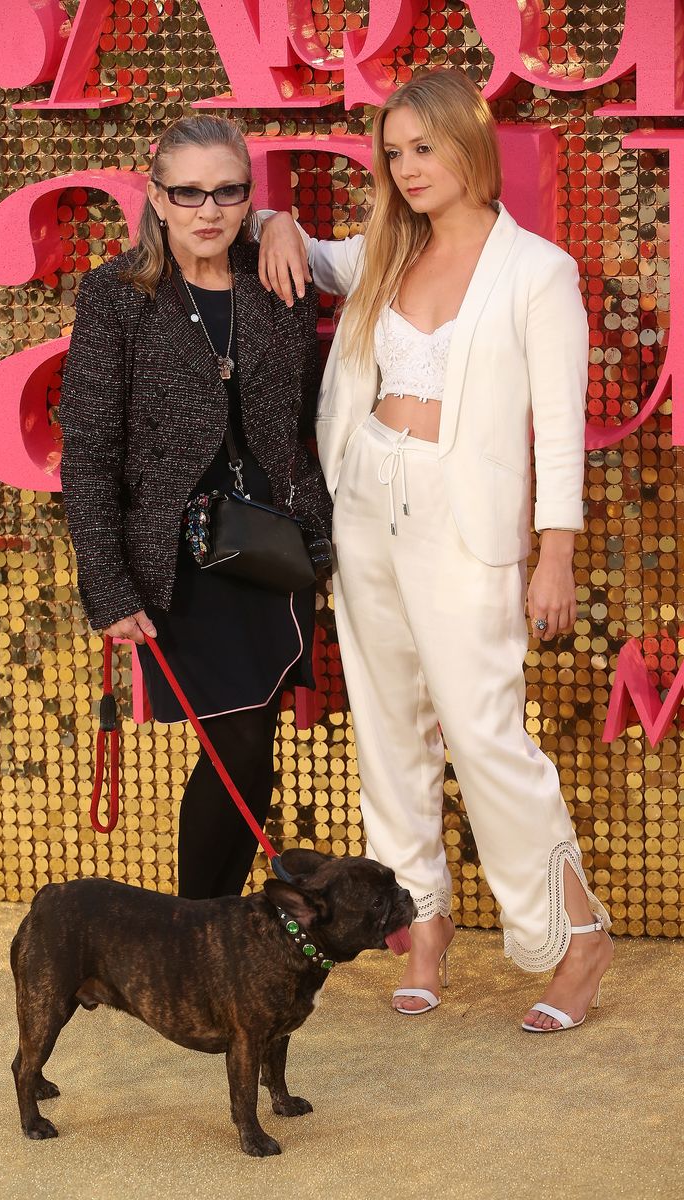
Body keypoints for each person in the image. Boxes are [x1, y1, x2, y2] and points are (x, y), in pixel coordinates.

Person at [258, 68, 613, 1031]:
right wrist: (277, 221)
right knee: (387, 731)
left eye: (426, 147)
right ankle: (421, 926)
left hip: (470, 525)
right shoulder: (383, 249)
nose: (408, 168)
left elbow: (559, 427)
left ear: (471, 145)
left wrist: (555, 552)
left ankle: (574, 938)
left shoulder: (537, 271)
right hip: (367, 503)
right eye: (395, 151)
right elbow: (302, 251)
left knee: (485, 734)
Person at [60, 115, 331, 901]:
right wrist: (107, 587)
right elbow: (90, 450)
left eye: (229, 192)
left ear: (249, 195)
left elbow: (304, 416)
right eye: (188, 193)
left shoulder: (276, 275)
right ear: (156, 196)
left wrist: (286, 222)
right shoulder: (116, 295)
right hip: (178, 567)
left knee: (252, 748)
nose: (209, 210)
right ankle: (200, 932)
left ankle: (203, 935)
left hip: (275, 553)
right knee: (237, 743)